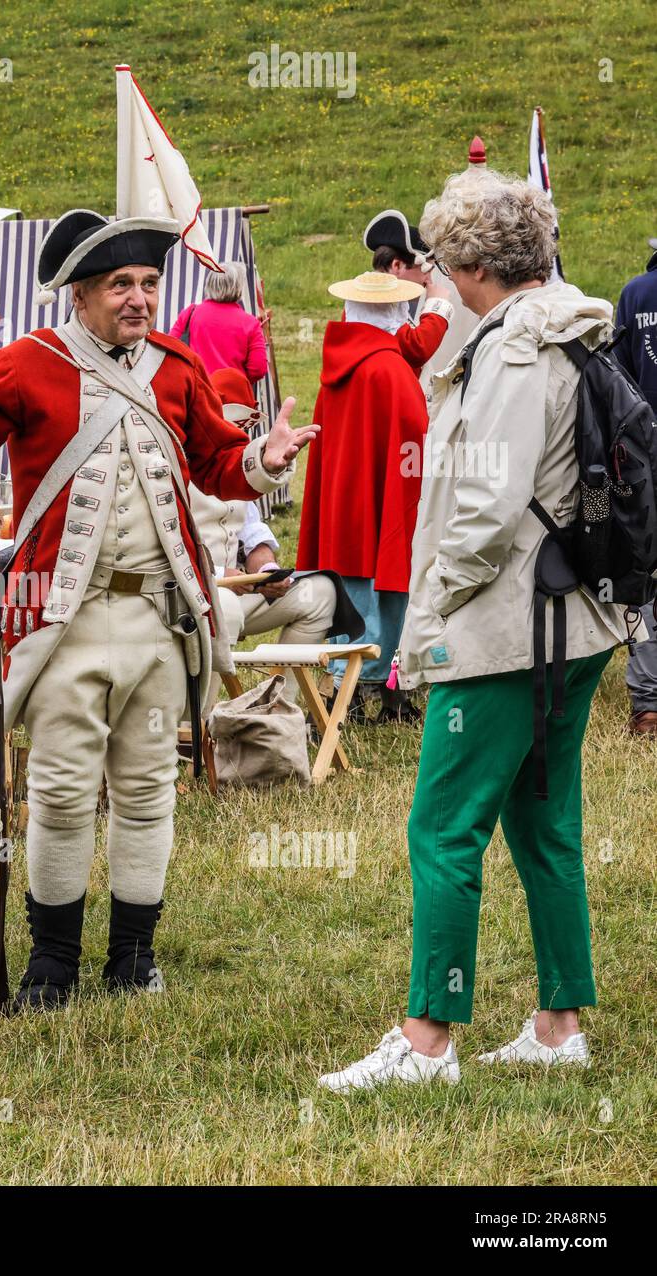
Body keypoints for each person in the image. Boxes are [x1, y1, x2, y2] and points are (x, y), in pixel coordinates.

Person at [0, 210, 316, 1010]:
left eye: (147, 283)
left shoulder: (173, 367)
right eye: (119, 286)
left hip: (158, 618)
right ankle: (52, 964)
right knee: (62, 794)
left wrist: (262, 461)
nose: (138, 299)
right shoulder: (26, 363)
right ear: (82, 295)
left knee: (146, 790)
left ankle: (134, 957)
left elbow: (215, 462)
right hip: (65, 617)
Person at [319, 170, 630, 1093]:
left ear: (473, 264)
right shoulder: (554, 326)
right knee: (543, 820)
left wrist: (433, 614)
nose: (435, 276)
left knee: (443, 828)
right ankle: (557, 1023)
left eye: (444, 261)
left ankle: (426, 1039)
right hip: (569, 621)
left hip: (504, 625)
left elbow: (486, 508)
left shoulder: (515, 353)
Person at [296, 270, 430, 723]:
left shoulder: (335, 369)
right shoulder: (391, 368)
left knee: (350, 587)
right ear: (392, 312)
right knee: (390, 585)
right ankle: (386, 687)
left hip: (344, 498)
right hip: (386, 492)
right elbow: (415, 433)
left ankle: (345, 687)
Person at [194, 371, 339, 653]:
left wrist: (266, 571)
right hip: (191, 594)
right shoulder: (174, 460)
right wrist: (221, 574)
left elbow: (253, 533)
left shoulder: (239, 465)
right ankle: (209, 699)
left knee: (321, 594)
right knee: (224, 608)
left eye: (241, 426)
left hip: (237, 590)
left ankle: (279, 695)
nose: (236, 433)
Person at [612, 242, 657, 736]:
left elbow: (618, 380)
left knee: (641, 578)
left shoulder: (635, 294)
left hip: (643, 460)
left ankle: (648, 705)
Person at [362, 208, 457, 376]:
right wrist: (437, 307)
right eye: (426, 269)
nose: (429, 280)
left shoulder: (380, 294)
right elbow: (416, 350)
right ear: (397, 266)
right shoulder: (375, 299)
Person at [167, 261, 268, 385]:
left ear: (210, 284)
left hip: (196, 393)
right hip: (233, 396)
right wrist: (240, 382)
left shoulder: (190, 313)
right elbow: (258, 369)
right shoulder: (251, 323)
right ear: (238, 288)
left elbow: (170, 349)